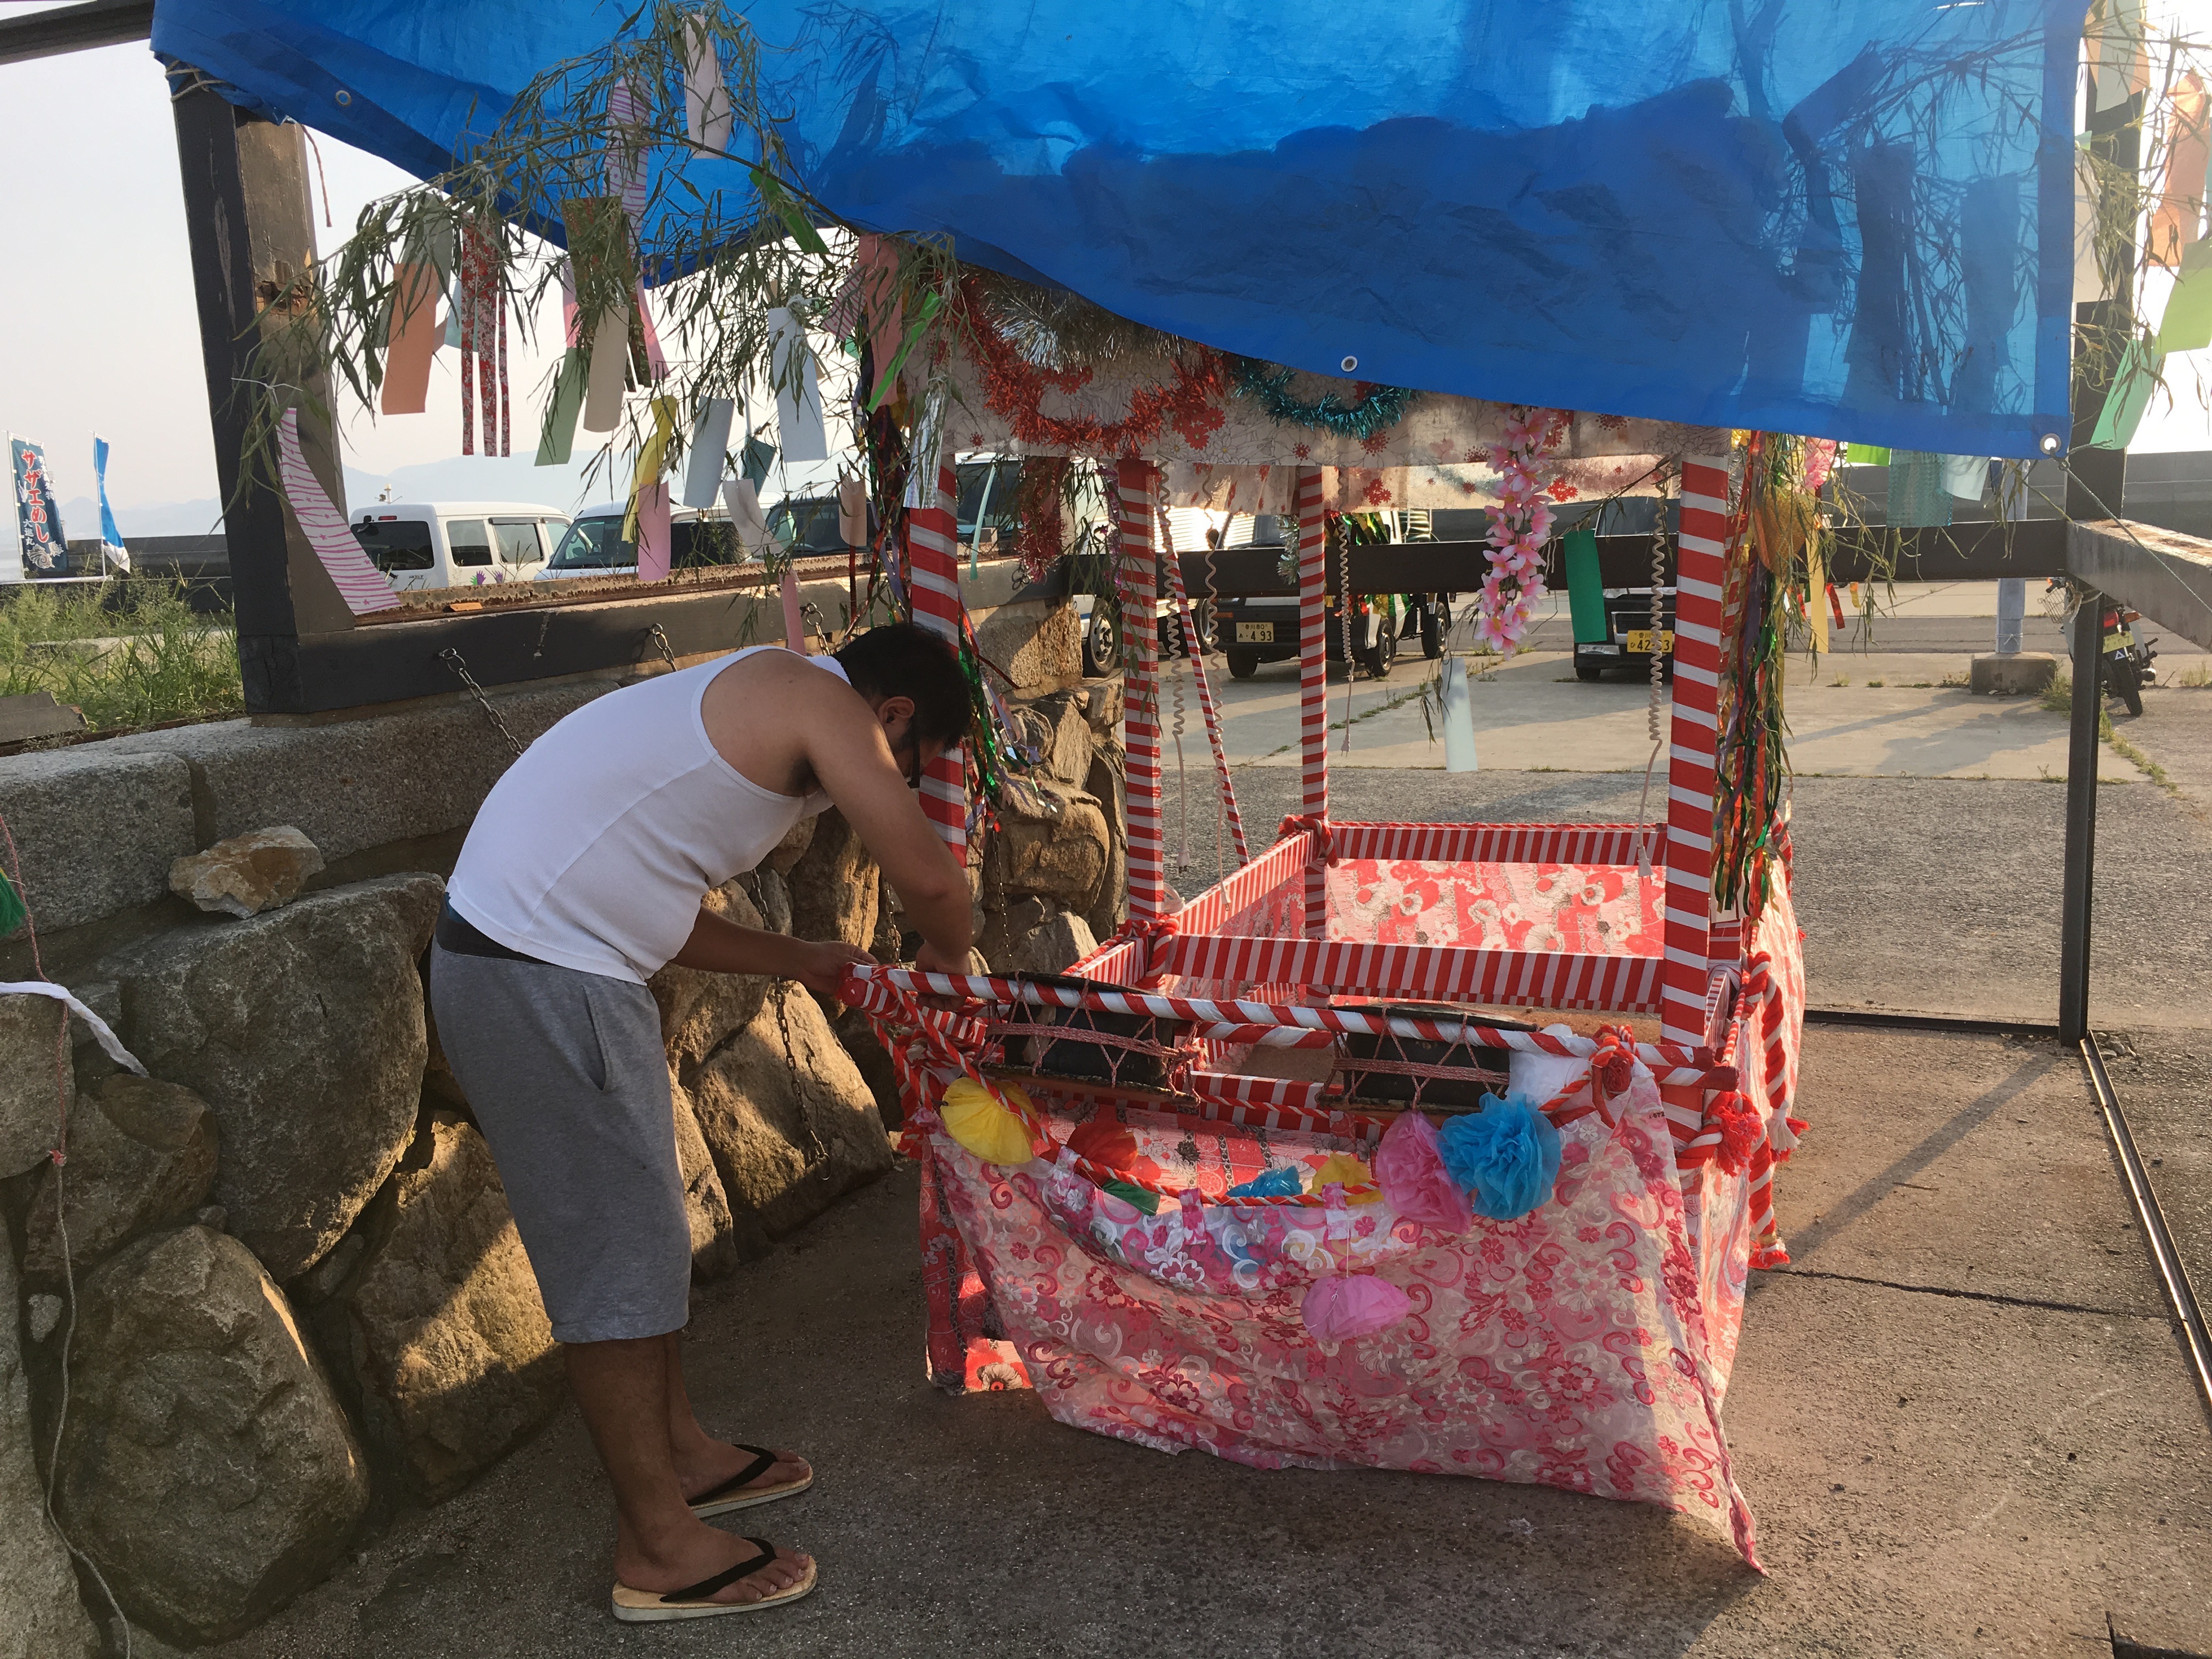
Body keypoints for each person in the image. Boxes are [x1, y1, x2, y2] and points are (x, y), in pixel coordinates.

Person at [430, 623, 974, 1623]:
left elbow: (647, 900)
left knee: (644, 1237)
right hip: (538, 976)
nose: (895, 783)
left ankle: (679, 1455)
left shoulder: (756, 695)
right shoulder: (823, 702)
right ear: (891, 713)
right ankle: (657, 1546)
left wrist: (803, 959)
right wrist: (951, 960)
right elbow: (934, 883)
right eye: (912, 762)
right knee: (617, 1259)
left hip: (546, 963)